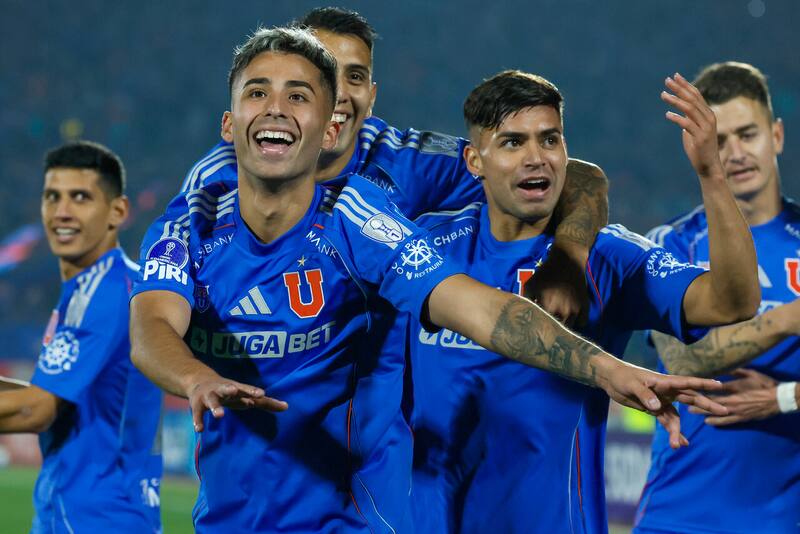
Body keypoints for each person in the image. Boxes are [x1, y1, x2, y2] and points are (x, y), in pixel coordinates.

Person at [130, 27, 728, 533]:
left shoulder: (361, 217)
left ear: (330, 125)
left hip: (353, 518)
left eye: (300, 94)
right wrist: (196, 377)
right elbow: (153, 324)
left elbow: (485, 307)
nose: (278, 108)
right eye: (259, 92)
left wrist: (606, 365)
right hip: (229, 516)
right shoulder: (193, 219)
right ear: (230, 123)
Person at [406, 69, 759, 533]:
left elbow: (732, 302)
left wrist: (712, 175)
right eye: (513, 143)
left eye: (550, 140)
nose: (537, 158)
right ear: (475, 160)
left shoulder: (609, 257)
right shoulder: (424, 249)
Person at [182, 6, 610, 324]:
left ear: (372, 94)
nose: (340, 94)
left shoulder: (409, 160)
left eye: (353, 77)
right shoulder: (222, 175)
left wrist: (568, 261)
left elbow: (577, 176)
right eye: (323, 77)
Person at [635, 62, 800, 533]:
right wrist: (787, 320)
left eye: (748, 135)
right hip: (678, 516)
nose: (736, 154)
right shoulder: (672, 245)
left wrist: (786, 397)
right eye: (719, 141)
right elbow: (680, 362)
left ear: (778, 136)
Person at [0, 141, 162, 533]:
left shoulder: (108, 294)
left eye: (80, 198)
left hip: (98, 517)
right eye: (52, 197)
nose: (62, 212)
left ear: (117, 211)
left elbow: (35, 410)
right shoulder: (92, 288)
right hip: (85, 511)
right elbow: (49, 394)